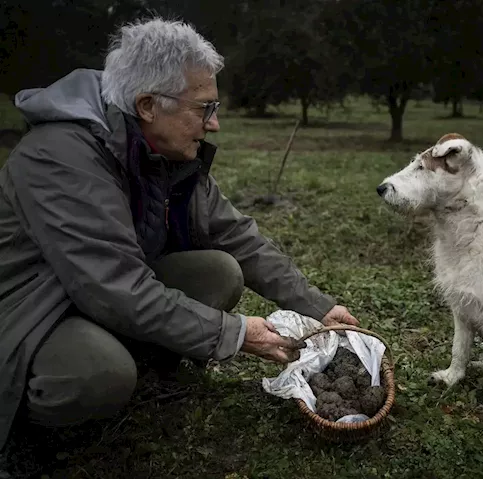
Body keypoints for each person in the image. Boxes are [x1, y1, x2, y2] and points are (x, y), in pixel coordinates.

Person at [0, 17, 359, 451]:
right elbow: (115, 289)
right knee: (98, 374)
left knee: (219, 270)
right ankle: (27, 419)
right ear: (149, 105)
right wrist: (237, 333)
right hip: (31, 306)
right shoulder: (61, 156)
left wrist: (319, 307)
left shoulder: (157, 145)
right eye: (203, 108)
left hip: (93, 291)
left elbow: (237, 237)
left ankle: (134, 357)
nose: (214, 124)